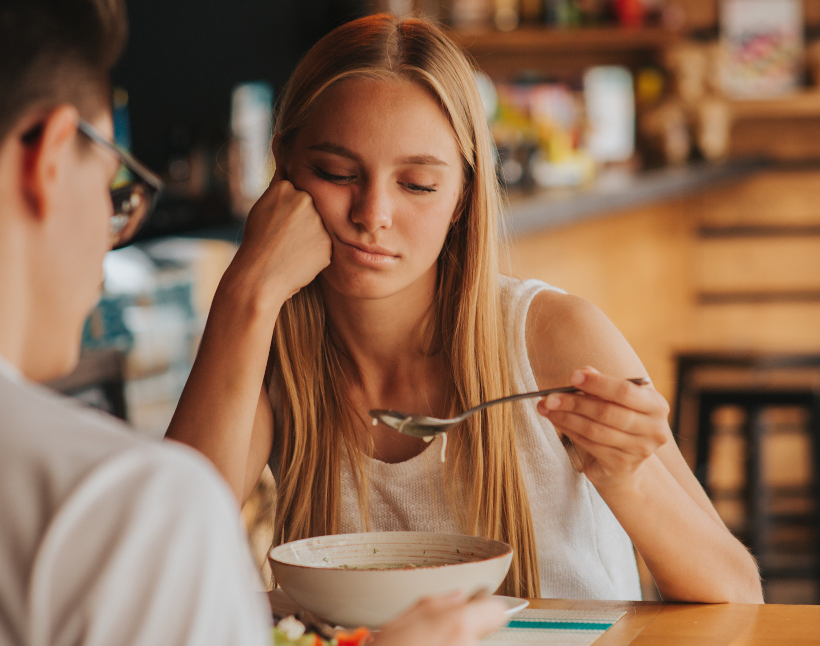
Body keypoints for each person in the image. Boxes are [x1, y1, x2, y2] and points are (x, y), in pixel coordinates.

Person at [0, 2, 506, 646]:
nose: (373, 215)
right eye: (114, 182)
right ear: (47, 156)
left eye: (417, 183)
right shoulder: (117, 509)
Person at [168, 14, 763, 604]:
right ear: (284, 169)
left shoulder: (553, 339)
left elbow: (738, 598)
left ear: (461, 197)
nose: (373, 213)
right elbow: (163, 558)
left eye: (418, 185)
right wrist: (245, 291)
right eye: (337, 173)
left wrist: (629, 477)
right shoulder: (272, 357)